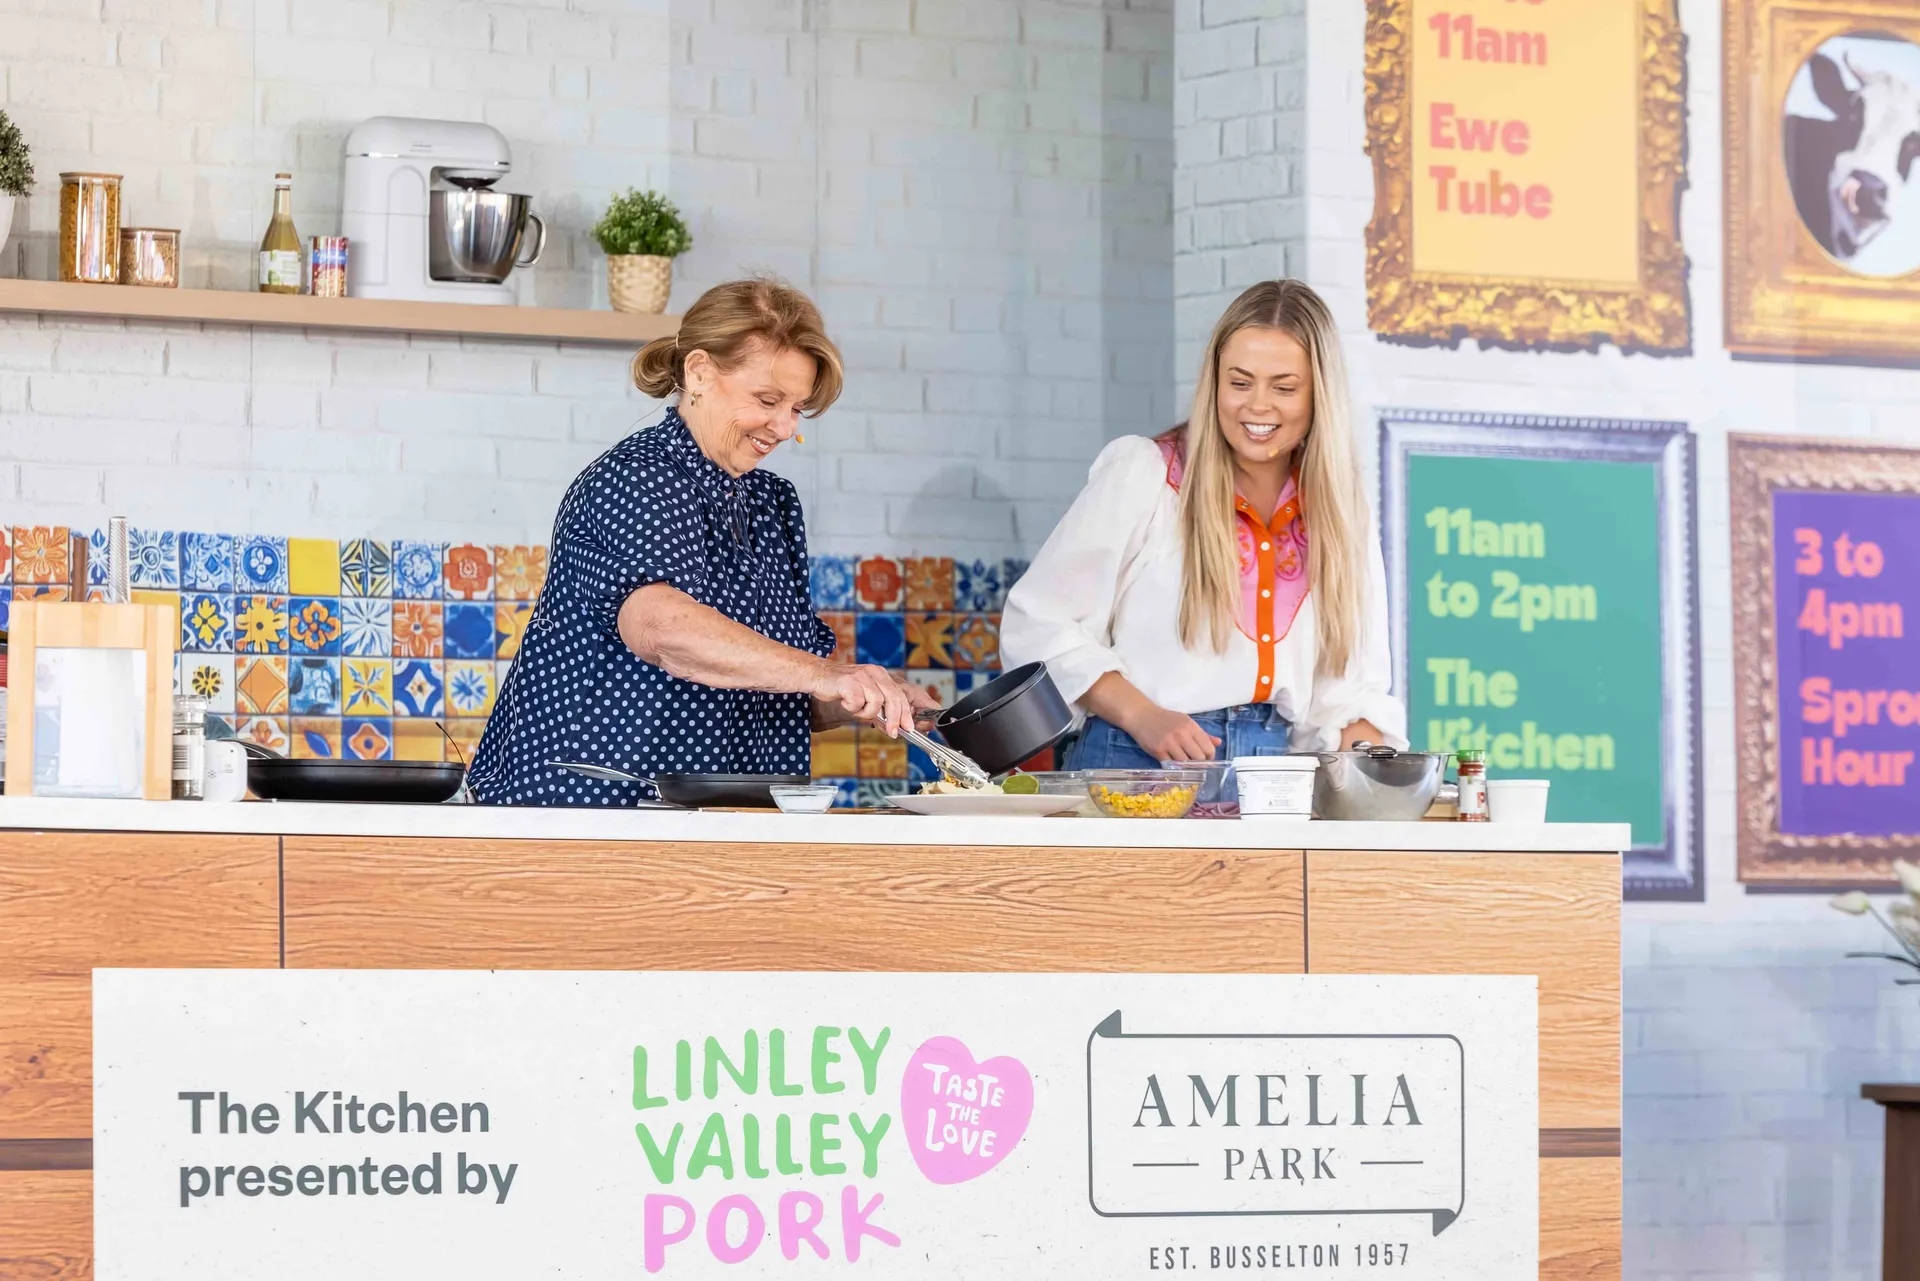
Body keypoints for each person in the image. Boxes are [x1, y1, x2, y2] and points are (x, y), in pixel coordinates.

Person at [469, 277, 934, 806]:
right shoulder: (639, 477)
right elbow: (667, 631)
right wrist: (828, 674)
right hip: (598, 810)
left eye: (797, 408)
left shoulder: (768, 502)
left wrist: (867, 696)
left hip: (715, 822)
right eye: (768, 399)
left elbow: (769, 686)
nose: (784, 427)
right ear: (699, 372)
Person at [1001, 279, 1406, 768]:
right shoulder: (1145, 474)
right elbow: (1039, 620)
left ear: (1319, 394)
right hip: (1132, 762)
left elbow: (1351, 687)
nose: (1257, 405)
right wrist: (1143, 716)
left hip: (1271, 775)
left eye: (1284, 387)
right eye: (1239, 382)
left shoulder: (1339, 510)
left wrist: (1375, 766)